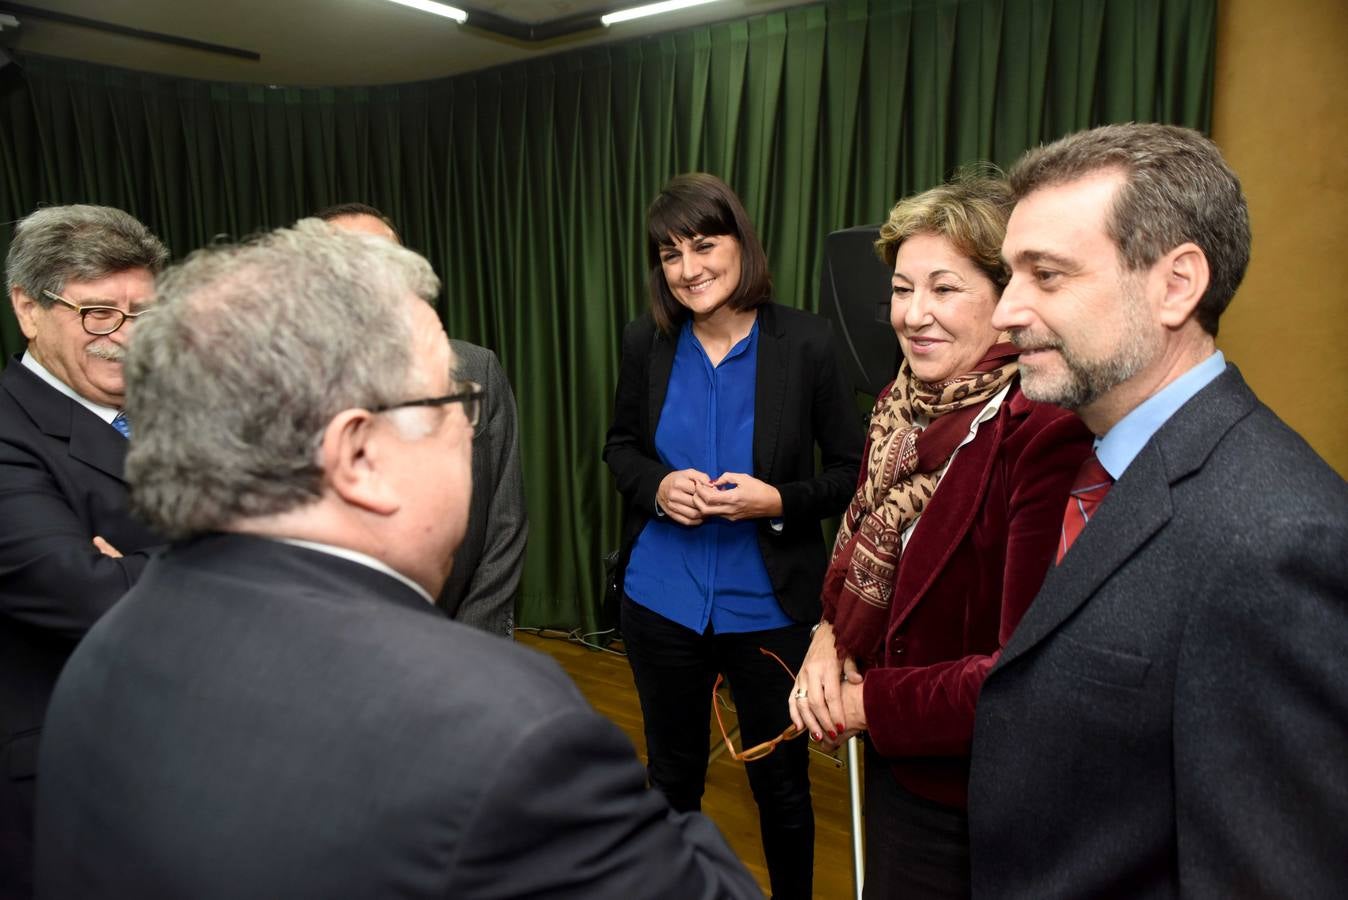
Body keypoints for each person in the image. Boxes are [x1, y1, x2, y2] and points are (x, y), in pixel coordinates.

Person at [33, 220, 763, 899]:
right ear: (360, 455)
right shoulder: (499, 725)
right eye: (452, 402)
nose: (467, 432)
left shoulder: (110, 646)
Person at [969, 123, 1348, 896]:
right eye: (1009, 275)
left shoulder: (1280, 536)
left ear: (1177, 285)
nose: (1005, 312)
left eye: (1046, 275)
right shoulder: (1091, 464)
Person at [786, 174, 1092, 897]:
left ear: (1005, 296)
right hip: (899, 776)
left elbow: (1023, 674)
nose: (913, 315)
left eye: (944, 289)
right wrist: (829, 640)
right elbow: (860, 541)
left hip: (976, 797)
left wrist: (866, 704)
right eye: (900, 289)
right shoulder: (899, 406)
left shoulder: (1044, 427)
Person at [604, 173, 863, 899]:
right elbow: (620, 448)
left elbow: (852, 471)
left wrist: (777, 499)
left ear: (740, 243)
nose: (687, 269)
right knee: (671, 778)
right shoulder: (644, 344)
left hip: (770, 611)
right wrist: (656, 486)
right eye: (669, 253)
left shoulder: (808, 343)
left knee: (781, 791)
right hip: (660, 602)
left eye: (703, 244)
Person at [0, 204, 168, 896]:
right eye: (98, 313)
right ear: (28, 309)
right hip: (72, 778)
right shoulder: (10, 428)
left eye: (144, 314)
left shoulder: (181, 404)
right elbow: (89, 594)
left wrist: (131, 563)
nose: (125, 338)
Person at [315, 202, 526, 637]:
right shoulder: (280, 391)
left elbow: (505, 523)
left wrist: (472, 641)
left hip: (462, 638)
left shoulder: (475, 370)